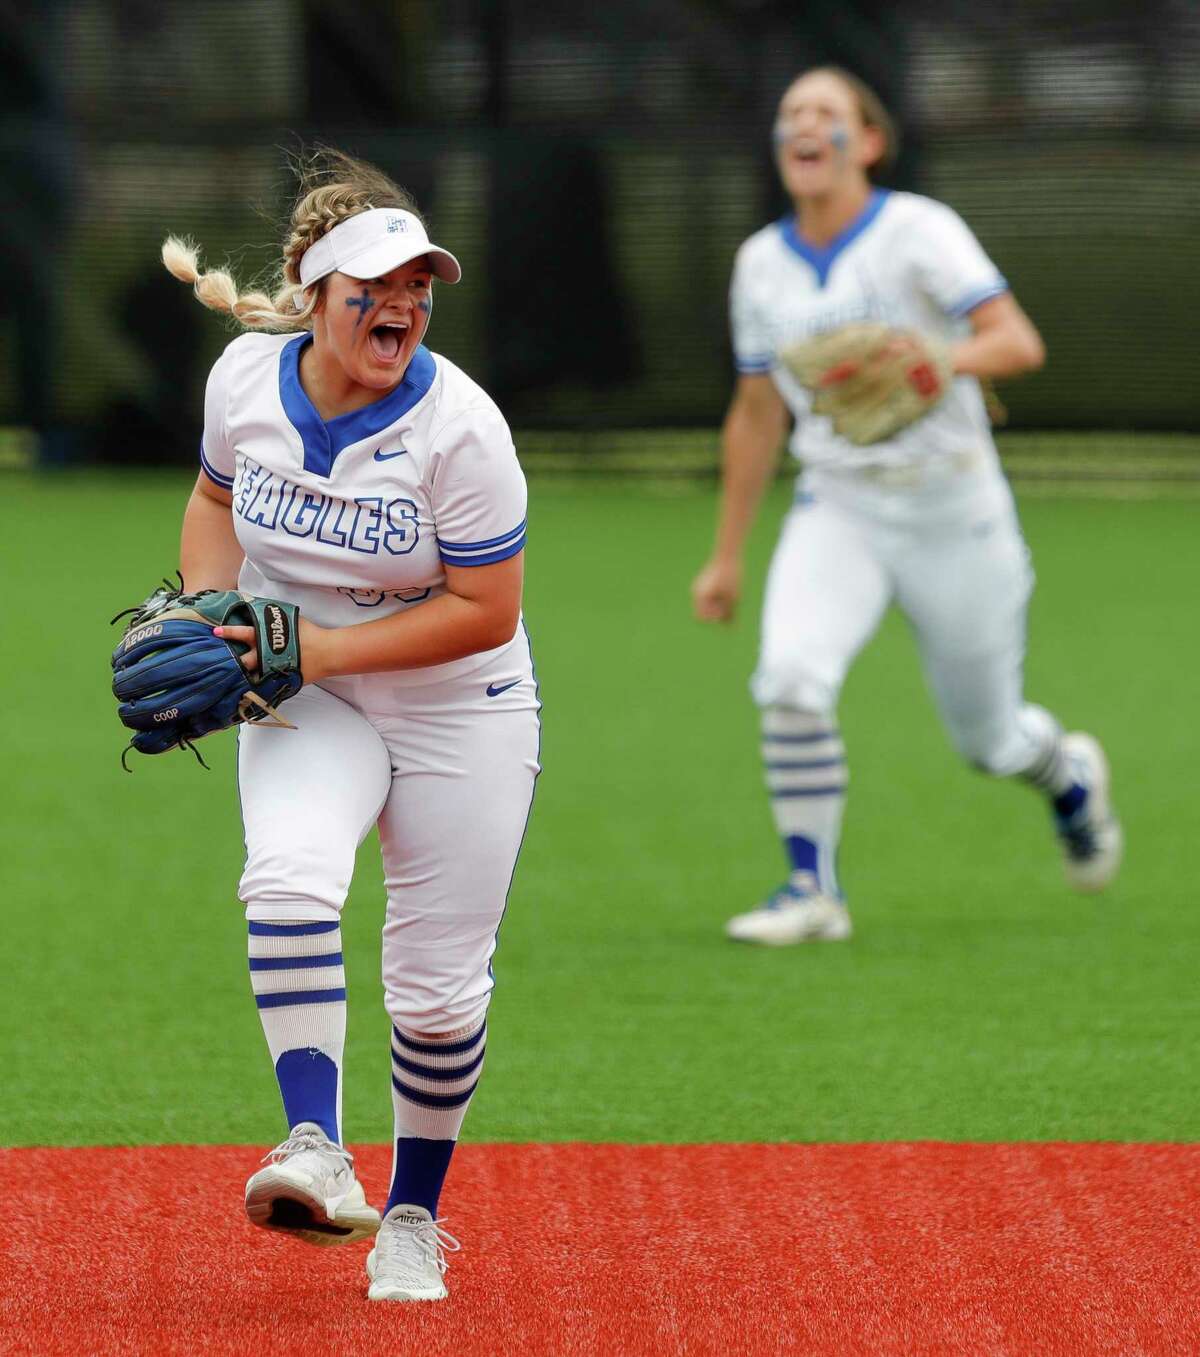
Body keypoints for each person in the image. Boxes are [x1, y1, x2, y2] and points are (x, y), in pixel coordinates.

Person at [163, 148, 539, 1299]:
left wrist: (310, 646)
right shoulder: (242, 382)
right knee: (285, 878)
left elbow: (485, 610)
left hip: (455, 703)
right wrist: (206, 612)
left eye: (420, 283)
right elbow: (215, 504)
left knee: (435, 987)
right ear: (314, 293)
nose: (404, 303)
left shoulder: (462, 429)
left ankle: (415, 1215)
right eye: (376, 284)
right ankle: (314, 1146)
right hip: (301, 685)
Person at [691, 68, 1121, 946]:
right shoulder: (761, 264)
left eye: (827, 114)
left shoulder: (919, 230)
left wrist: (939, 355)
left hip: (952, 503)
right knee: (792, 682)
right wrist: (727, 553)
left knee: (990, 740)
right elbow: (758, 410)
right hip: (837, 501)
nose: (805, 128)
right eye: (790, 115)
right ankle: (812, 891)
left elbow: (1018, 341)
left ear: (871, 141)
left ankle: (1068, 775)